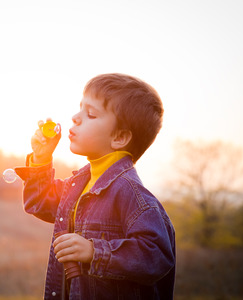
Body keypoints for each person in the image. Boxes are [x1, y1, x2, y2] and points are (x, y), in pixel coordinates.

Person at [14, 73, 176, 299]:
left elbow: (157, 255)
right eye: (80, 109)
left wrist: (94, 251)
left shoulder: (132, 194)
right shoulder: (78, 185)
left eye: (90, 114)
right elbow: (39, 202)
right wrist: (41, 159)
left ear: (119, 137)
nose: (75, 117)